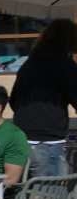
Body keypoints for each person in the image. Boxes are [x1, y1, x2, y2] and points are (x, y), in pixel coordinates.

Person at [10, 18, 77, 178]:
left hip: (21, 137)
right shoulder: (64, 65)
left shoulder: (29, 64)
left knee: (27, 187)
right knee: (51, 189)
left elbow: (13, 100)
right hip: (48, 140)